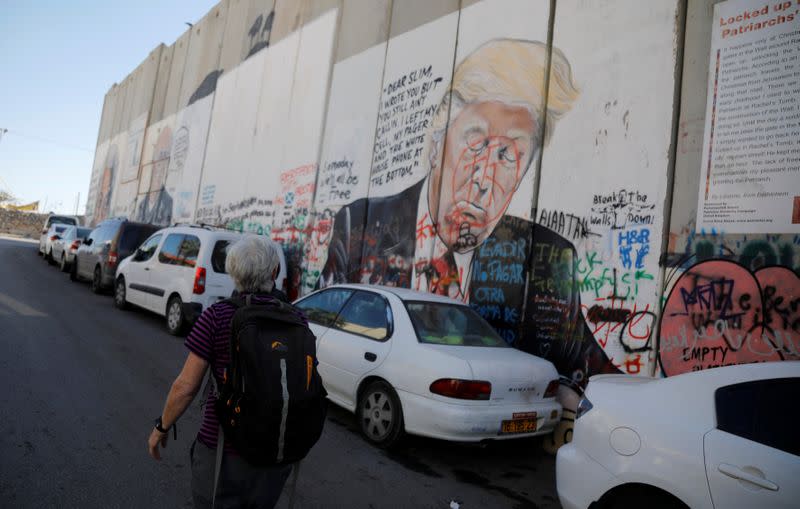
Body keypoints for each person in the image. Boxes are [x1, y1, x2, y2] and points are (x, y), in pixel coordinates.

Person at [318, 39, 617, 384]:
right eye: (475, 144)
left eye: (509, 156)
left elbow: (592, 375)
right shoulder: (361, 227)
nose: (484, 180)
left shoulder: (547, 259)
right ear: (435, 145)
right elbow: (327, 326)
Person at [148, 235, 306, 508]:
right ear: (275, 272)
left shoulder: (217, 316)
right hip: (276, 452)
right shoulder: (298, 319)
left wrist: (162, 426)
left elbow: (186, 386)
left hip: (222, 451)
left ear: (233, 272)